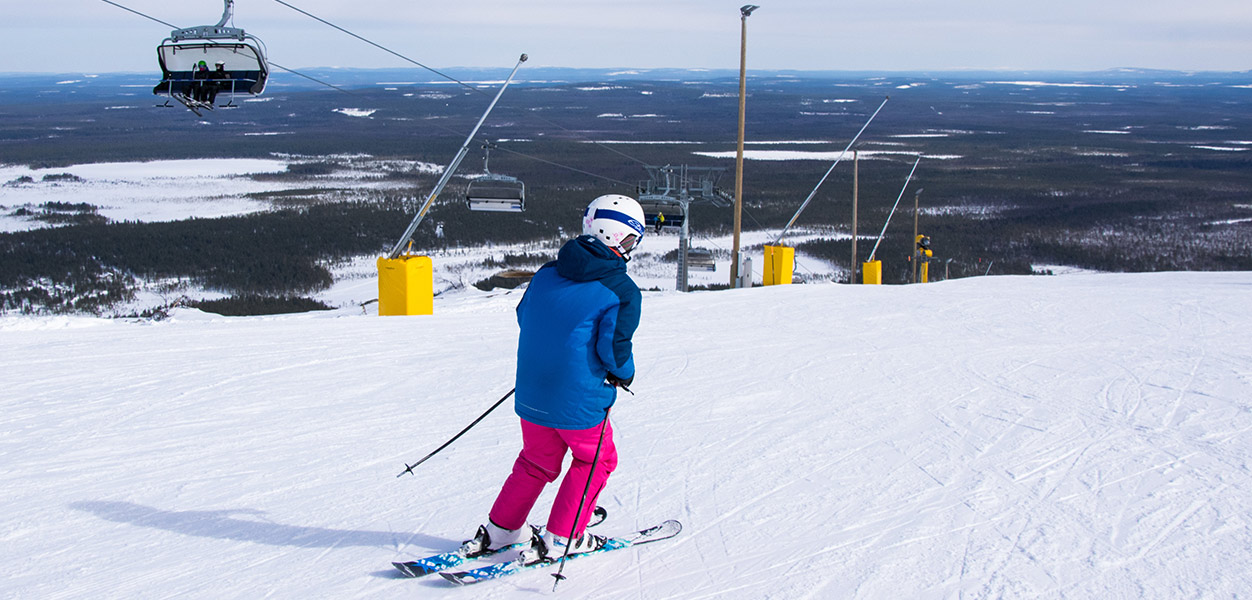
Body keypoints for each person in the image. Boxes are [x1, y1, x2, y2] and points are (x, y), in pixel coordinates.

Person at [460, 194, 646, 565]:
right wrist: (624, 375)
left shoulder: (547, 272)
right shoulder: (621, 291)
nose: (630, 250)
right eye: (629, 241)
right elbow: (614, 351)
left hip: (531, 392)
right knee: (596, 460)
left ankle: (501, 532)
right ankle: (563, 537)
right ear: (612, 235)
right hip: (577, 399)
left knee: (536, 461)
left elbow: (524, 315)